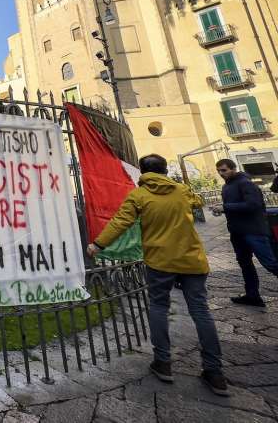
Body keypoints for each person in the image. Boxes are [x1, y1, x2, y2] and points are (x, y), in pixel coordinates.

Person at [86, 154, 227, 396]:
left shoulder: (139, 195)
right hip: (191, 258)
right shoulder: (181, 190)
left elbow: (120, 222)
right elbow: (198, 201)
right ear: (164, 170)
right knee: (201, 311)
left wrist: (98, 244)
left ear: (143, 171)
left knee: (159, 307)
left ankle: (163, 362)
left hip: (160, 261)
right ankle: (215, 372)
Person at [211, 159, 278, 307]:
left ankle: (252, 295)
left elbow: (253, 205)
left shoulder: (245, 183)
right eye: (219, 171)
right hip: (238, 232)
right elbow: (234, 207)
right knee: (245, 264)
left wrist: (225, 207)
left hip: (254, 231)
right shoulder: (226, 187)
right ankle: (252, 295)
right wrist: (222, 209)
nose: (221, 174)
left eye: (224, 170)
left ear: (233, 168)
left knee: (270, 263)